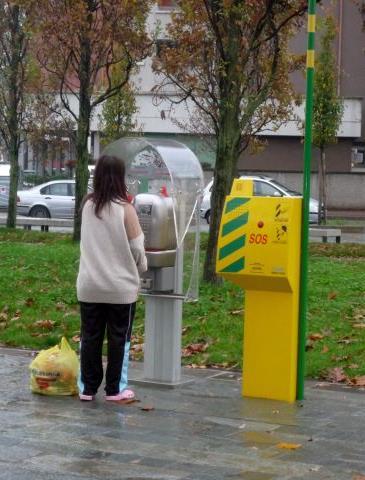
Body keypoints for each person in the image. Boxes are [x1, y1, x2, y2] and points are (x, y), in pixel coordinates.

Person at [76, 155, 147, 401]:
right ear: (120, 177)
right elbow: (138, 248)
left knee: (90, 336)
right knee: (119, 339)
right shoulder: (125, 209)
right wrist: (141, 268)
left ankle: (87, 388)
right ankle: (115, 389)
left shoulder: (87, 206)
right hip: (120, 288)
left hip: (89, 286)